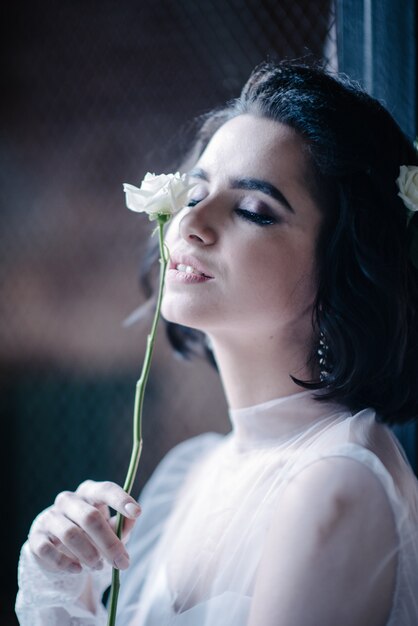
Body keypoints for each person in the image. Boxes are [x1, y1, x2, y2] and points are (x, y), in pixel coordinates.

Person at [16, 61, 418, 626]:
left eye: (254, 210)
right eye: (195, 190)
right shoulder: (191, 473)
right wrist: (66, 587)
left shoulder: (337, 483)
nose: (191, 222)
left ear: (345, 266)